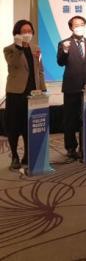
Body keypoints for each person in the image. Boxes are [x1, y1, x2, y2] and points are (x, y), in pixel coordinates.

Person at [3, 20, 46, 170]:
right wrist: (19, 47)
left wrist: (42, 88)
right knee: (14, 125)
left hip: (33, 93)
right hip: (16, 93)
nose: (27, 33)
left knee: (29, 125)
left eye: (29, 31)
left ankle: (27, 154)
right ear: (17, 33)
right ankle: (14, 156)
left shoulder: (36, 48)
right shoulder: (9, 49)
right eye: (24, 31)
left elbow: (40, 70)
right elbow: (13, 64)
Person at [57, 15, 86, 160]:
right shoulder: (64, 43)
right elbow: (60, 62)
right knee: (70, 120)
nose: (79, 27)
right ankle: (71, 148)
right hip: (71, 87)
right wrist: (64, 51)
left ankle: (85, 146)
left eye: (82, 24)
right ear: (71, 27)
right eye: (76, 25)